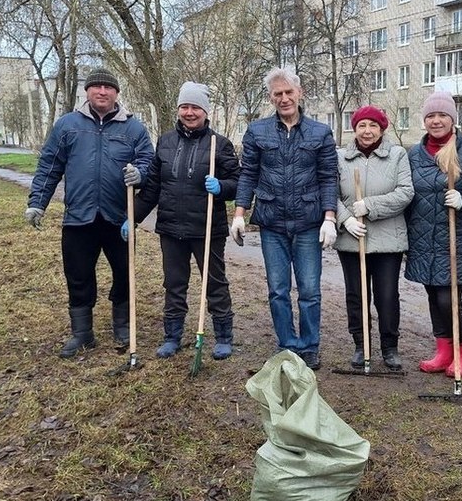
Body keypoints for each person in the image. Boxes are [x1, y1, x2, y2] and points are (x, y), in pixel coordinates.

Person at [24, 68, 154, 358]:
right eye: (96, 87)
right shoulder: (68, 125)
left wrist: (140, 173)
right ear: (87, 91)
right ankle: (82, 333)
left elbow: (149, 161)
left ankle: (122, 325)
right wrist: (37, 202)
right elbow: (50, 165)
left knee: (124, 273)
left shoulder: (133, 128)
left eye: (108, 87)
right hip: (78, 218)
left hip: (119, 218)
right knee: (79, 275)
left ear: (117, 93)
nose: (102, 92)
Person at [120, 82, 240, 360]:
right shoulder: (165, 142)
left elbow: (239, 182)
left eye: (195, 107)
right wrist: (132, 217)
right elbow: (152, 189)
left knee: (214, 282)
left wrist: (222, 186)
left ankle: (223, 336)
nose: (189, 112)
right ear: (178, 109)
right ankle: (172, 336)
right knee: (174, 283)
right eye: (184, 106)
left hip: (207, 228)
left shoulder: (218, 145)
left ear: (205, 112)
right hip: (172, 228)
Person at [230, 66, 338, 371]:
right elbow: (248, 173)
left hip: (307, 221)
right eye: (278, 93)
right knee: (278, 288)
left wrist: (329, 217)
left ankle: (310, 345)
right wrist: (239, 214)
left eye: (289, 92)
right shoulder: (257, 131)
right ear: (271, 97)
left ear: (299, 93)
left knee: (309, 289)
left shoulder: (320, 132)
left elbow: (328, 176)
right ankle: (287, 343)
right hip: (271, 222)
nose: (284, 98)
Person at [405, 91, 462, 377]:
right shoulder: (414, 154)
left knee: (449, 299)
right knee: (432, 296)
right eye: (430, 115)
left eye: (442, 115)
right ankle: (443, 351)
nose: (436, 120)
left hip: (455, 239)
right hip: (422, 238)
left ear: (452, 118)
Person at [334, 106, 413, 370]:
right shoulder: (340, 158)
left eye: (373, 126)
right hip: (351, 239)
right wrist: (345, 218)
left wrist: (370, 206)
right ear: (354, 128)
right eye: (361, 125)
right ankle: (360, 343)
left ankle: (390, 347)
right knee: (356, 295)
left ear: (382, 129)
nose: (367, 131)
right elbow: (329, 193)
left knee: (387, 295)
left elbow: (405, 193)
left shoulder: (397, 155)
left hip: (387, 240)